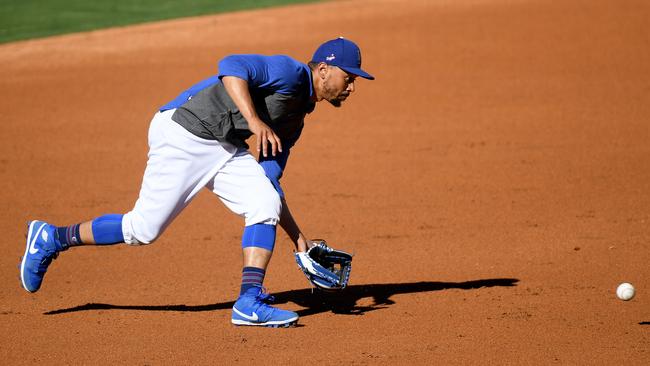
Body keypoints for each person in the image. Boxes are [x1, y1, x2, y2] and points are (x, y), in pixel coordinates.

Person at [20, 37, 374, 328]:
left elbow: (269, 182)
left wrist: (298, 239)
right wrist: (253, 120)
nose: (352, 87)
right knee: (142, 229)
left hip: (223, 146)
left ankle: (248, 302)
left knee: (263, 202)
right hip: (184, 130)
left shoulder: (295, 121)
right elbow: (231, 66)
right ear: (324, 70)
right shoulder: (289, 71)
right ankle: (51, 237)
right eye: (349, 77)